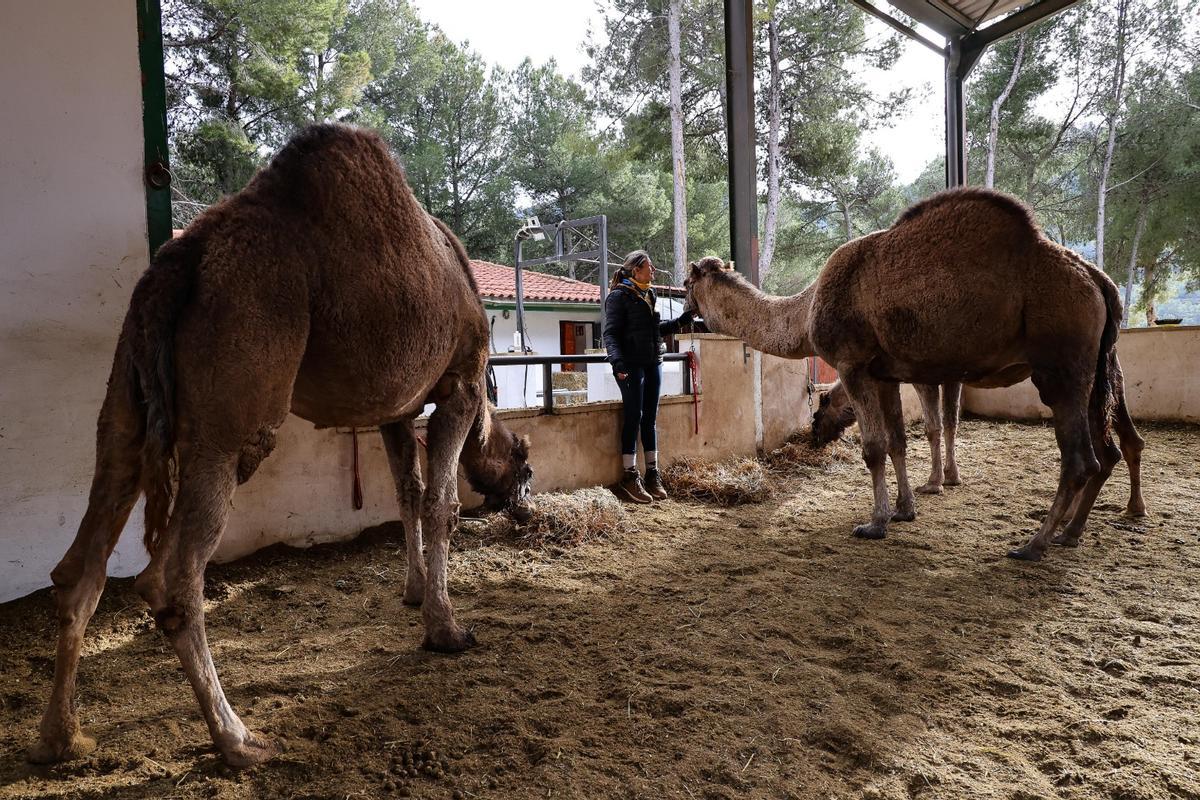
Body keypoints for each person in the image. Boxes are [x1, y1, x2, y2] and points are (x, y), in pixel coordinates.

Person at [603, 250, 693, 503]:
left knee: (650, 418)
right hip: (630, 364)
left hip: (654, 361)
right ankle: (630, 476)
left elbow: (655, 330)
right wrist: (617, 361)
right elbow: (610, 333)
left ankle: (652, 473)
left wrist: (680, 322)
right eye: (649, 267)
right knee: (634, 416)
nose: (653, 271)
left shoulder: (648, 293)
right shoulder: (618, 296)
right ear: (635, 270)